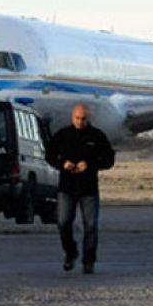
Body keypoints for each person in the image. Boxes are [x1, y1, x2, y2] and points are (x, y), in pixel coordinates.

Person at [45, 103, 115, 274]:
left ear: (88, 118)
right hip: (67, 188)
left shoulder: (97, 136)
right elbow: (49, 155)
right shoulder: (63, 135)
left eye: (83, 119)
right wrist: (63, 164)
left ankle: (89, 260)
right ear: (72, 117)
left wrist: (90, 165)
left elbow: (109, 160)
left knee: (90, 226)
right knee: (63, 222)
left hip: (88, 189)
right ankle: (70, 252)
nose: (80, 122)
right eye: (77, 118)